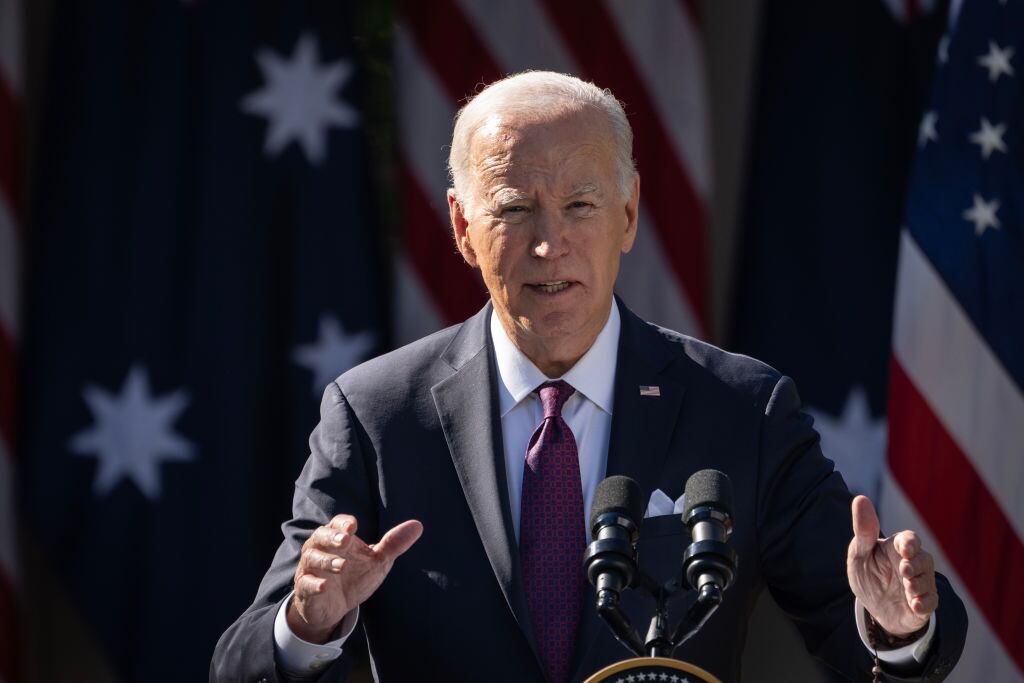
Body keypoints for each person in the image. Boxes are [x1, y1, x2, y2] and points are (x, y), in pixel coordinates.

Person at [211, 71, 966, 683]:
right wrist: (308, 623)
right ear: (461, 226)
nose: (550, 244)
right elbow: (241, 661)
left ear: (629, 213)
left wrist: (898, 625)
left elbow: (869, 635)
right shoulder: (376, 415)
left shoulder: (743, 409)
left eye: (580, 204)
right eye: (514, 207)